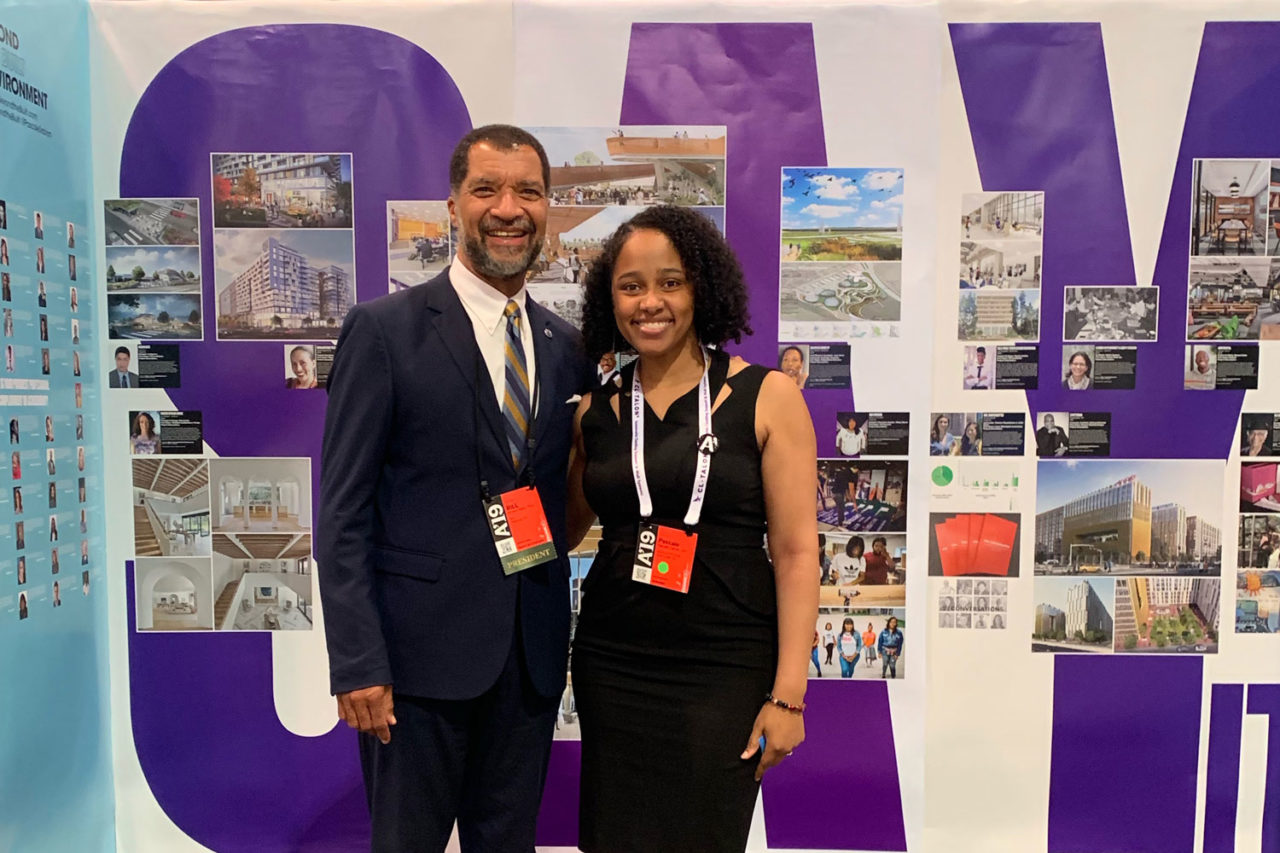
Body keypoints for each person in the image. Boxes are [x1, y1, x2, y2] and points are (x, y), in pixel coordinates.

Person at [316, 125, 592, 853]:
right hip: (412, 670)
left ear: (548, 207)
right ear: (452, 205)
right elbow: (341, 514)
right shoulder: (382, 331)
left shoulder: (567, 347)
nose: (508, 209)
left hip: (527, 664)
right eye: (486, 189)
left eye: (528, 192)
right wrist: (358, 661)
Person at [567, 204, 816, 852]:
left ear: (701, 289)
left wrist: (789, 695)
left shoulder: (768, 396)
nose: (650, 302)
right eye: (631, 286)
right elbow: (561, 531)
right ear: (610, 300)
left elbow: (796, 553)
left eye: (670, 282)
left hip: (724, 666)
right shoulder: (594, 410)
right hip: (614, 662)